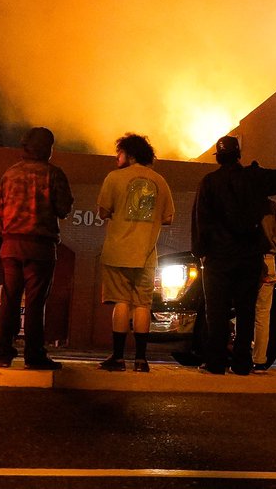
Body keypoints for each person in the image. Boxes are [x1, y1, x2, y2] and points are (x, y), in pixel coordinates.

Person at [191, 135, 276, 375]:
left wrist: (201, 252)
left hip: (218, 259)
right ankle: (241, 363)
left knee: (216, 312)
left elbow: (201, 220)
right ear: (238, 155)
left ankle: (216, 362)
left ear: (218, 157)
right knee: (246, 311)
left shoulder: (208, 183)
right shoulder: (253, 178)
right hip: (248, 257)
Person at [0, 126, 73, 370]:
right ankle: (34, 355)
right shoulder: (53, 174)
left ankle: (3, 354)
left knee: (10, 299)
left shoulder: (10, 174)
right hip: (40, 248)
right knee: (36, 303)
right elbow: (63, 209)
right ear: (48, 149)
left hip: (10, 246)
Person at [95, 133, 175, 373]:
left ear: (129, 154)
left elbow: (102, 211)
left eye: (119, 153)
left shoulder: (114, 178)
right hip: (146, 254)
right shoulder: (160, 181)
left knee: (121, 302)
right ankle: (141, 359)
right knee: (142, 305)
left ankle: (118, 358)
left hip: (117, 252)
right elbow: (168, 217)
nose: (116, 157)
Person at [251, 199, 276, 372]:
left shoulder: (243, 201)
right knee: (263, 314)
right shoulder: (273, 207)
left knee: (243, 310)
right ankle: (260, 360)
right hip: (268, 259)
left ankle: (241, 355)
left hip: (247, 261)